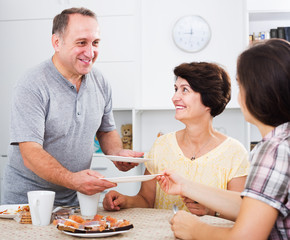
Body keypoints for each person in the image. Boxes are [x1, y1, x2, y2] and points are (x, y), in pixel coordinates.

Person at [2, 7, 143, 206]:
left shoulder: (100, 81)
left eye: (95, 43)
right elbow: (30, 153)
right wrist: (74, 180)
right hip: (27, 203)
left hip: (74, 201)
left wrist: (117, 154)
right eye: (81, 43)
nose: (90, 52)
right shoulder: (32, 84)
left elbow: (105, 130)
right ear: (56, 43)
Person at [157, 39, 290, 240]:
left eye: (241, 84)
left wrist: (194, 229)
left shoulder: (274, 150)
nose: (238, 96)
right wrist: (185, 186)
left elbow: (246, 237)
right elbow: (251, 206)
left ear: (259, 89)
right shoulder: (283, 141)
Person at [103, 62, 249, 217]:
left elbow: (241, 213)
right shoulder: (162, 145)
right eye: (175, 89)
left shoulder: (235, 153)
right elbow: (146, 200)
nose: (174, 98)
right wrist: (124, 201)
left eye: (184, 90)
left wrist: (212, 211)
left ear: (209, 99)